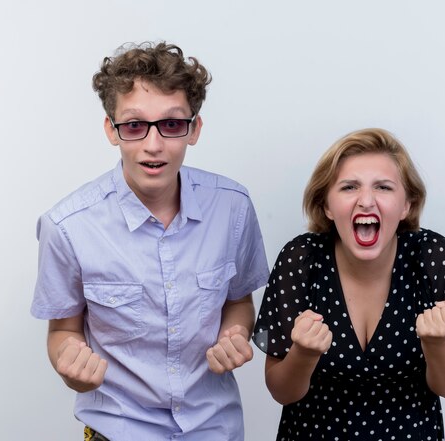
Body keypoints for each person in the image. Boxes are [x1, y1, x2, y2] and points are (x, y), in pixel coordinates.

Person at [31, 42, 269, 441]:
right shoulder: (67, 226)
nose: (153, 145)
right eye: (135, 125)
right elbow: (63, 331)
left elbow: (238, 302)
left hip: (216, 428)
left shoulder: (234, 208)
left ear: (194, 129)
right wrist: (70, 367)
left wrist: (235, 333)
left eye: (172, 124)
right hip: (119, 431)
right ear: (111, 129)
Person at [253, 128, 445, 440]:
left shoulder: (432, 257)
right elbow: (281, 391)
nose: (366, 200)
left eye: (383, 187)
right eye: (349, 187)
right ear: (327, 205)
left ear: (407, 204)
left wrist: (437, 345)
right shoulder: (301, 260)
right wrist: (304, 354)